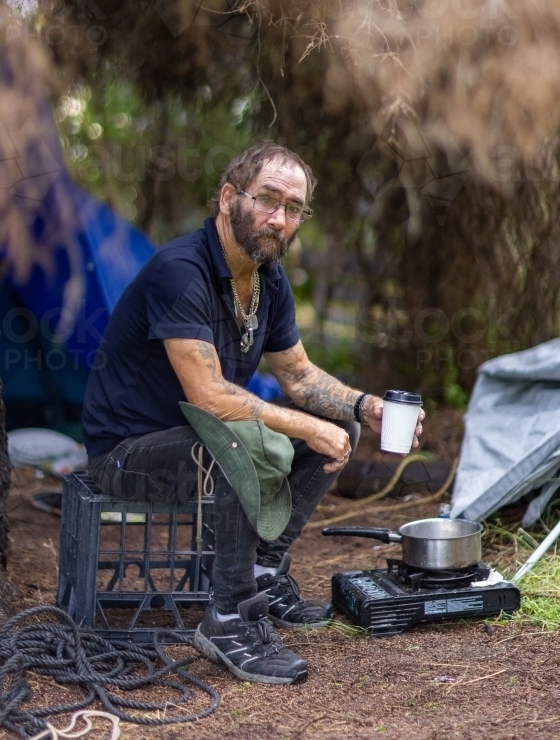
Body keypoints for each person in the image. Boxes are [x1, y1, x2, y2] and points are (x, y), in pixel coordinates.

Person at [82, 141, 423, 685]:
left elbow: (300, 377)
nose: (279, 218)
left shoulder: (269, 280)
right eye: (268, 200)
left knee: (337, 425)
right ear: (227, 198)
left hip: (208, 439)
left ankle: (264, 571)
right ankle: (229, 619)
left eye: (293, 209)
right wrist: (303, 425)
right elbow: (210, 398)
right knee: (236, 441)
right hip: (127, 451)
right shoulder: (182, 270)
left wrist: (365, 406)